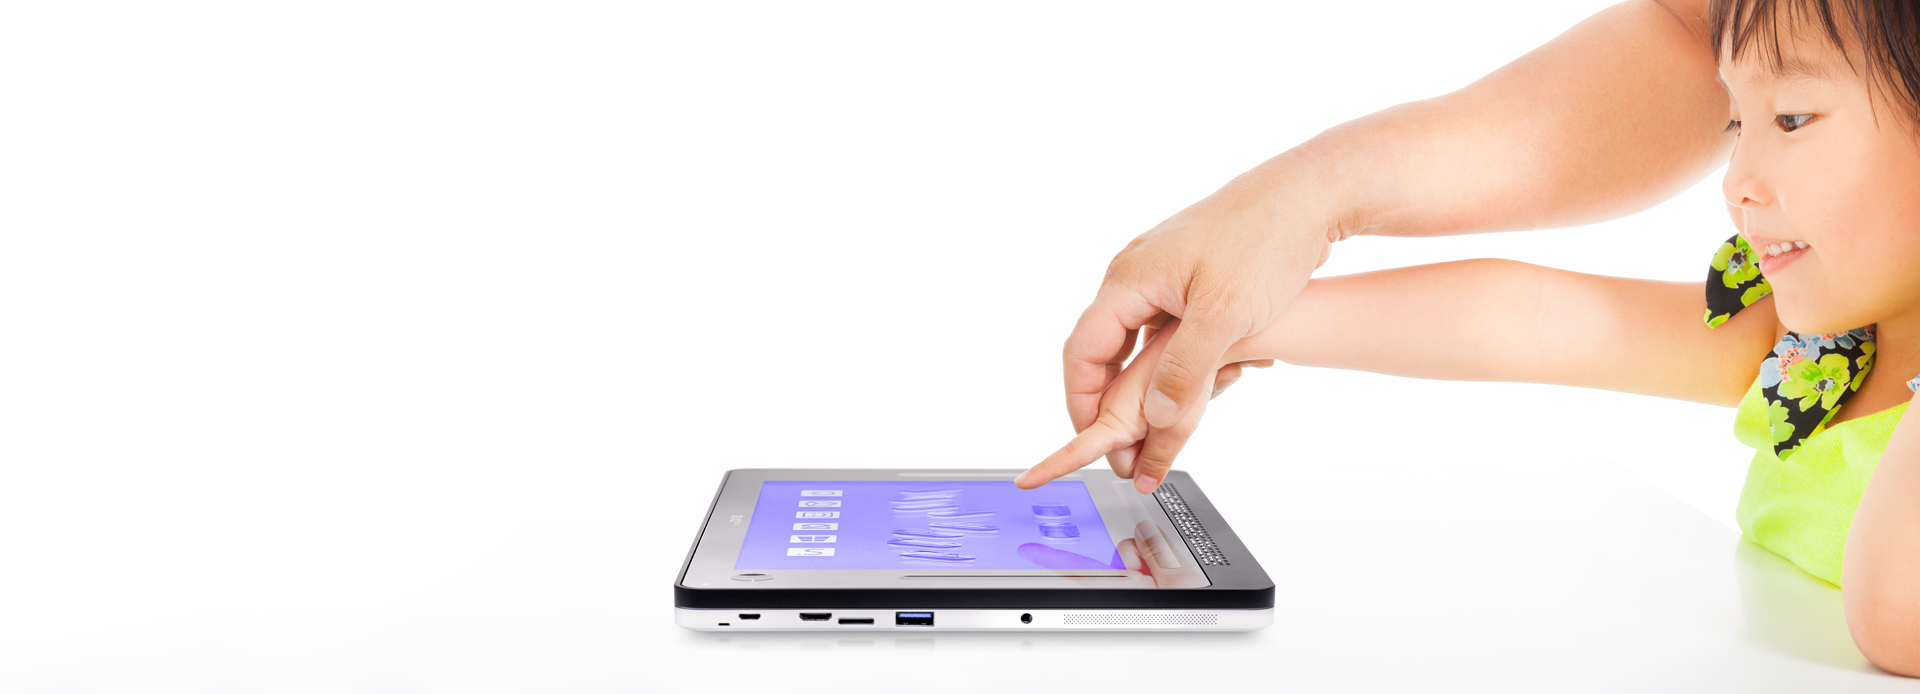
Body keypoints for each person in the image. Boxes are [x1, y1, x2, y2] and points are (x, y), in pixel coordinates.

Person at [1032, 0, 1920, 676]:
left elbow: (1896, 612)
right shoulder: (1820, 352)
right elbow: (1531, 321)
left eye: (1792, 120)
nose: (1737, 182)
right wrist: (1226, 329)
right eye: (1735, 124)